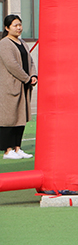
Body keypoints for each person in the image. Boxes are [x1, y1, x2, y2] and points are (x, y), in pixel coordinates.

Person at [0, 15, 37, 160]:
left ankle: (17, 148)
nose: (19, 28)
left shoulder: (23, 43)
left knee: (20, 118)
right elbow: (12, 65)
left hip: (23, 86)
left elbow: (31, 61)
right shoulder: (4, 44)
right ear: (7, 28)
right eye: (15, 25)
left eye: (20, 25)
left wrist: (33, 75)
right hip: (9, 87)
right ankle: (8, 151)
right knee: (9, 119)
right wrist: (27, 78)